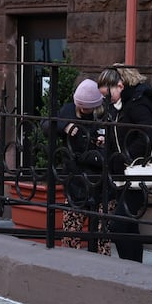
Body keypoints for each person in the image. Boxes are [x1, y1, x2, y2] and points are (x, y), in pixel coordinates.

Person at [95, 64, 152, 262]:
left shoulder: (138, 104)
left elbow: (146, 135)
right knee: (129, 223)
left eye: (108, 93)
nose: (106, 98)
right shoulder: (116, 106)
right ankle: (135, 266)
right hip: (120, 173)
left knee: (119, 223)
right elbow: (117, 134)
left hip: (136, 171)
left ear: (120, 85)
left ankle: (130, 265)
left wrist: (125, 157)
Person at [55, 78, 108, 252]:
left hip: (99, 178)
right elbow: (48, 124)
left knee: (101, 234)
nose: (83, 110)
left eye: (87, 107)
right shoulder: (68, 110)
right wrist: (65, 126)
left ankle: (100, 265)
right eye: (81, 106)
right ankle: (70, 261)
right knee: (71, 230)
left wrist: (104, 142)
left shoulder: (104, 114)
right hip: (75, 178)